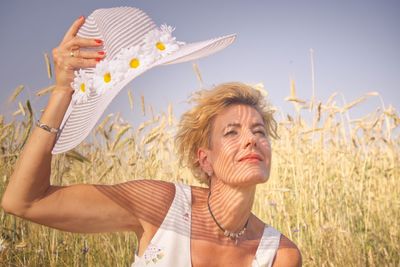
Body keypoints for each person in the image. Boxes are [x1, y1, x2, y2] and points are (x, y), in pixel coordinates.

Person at [1, 12, 302, 267]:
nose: (251, 140)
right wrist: (61, 92)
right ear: (205, 159)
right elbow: (24, 201)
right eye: (232, 132)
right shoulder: (160, 205)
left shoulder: (280, 255)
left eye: (259, 131)